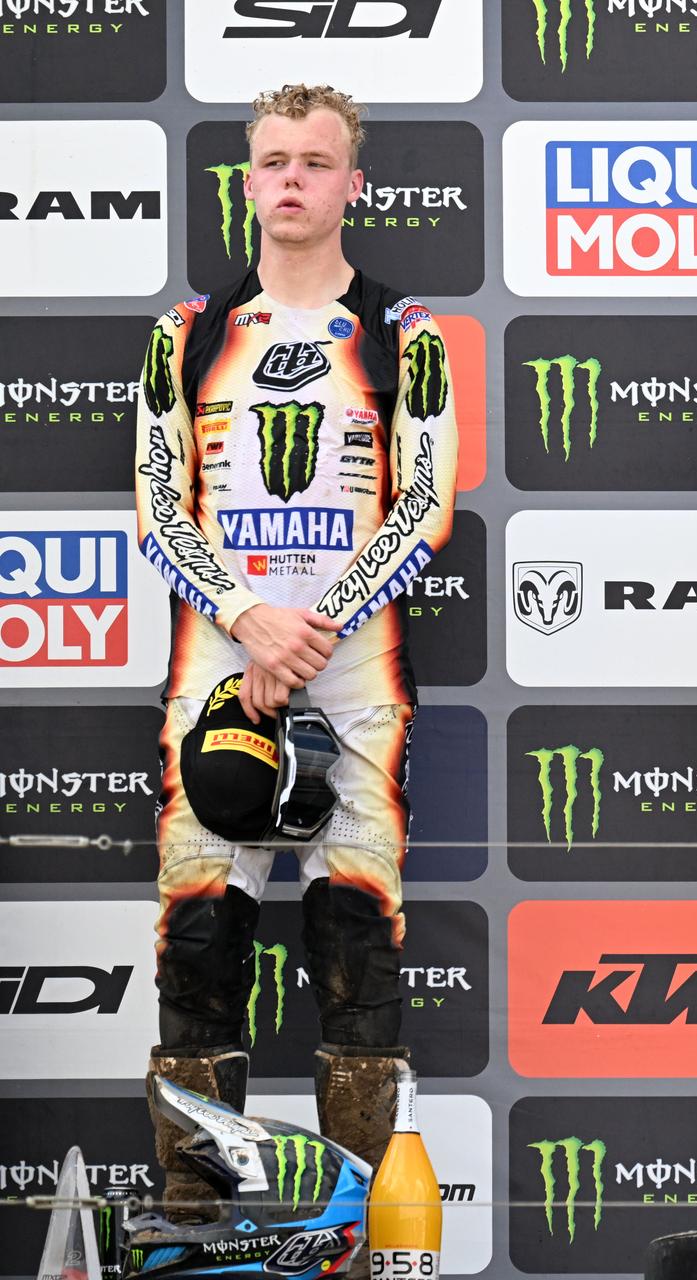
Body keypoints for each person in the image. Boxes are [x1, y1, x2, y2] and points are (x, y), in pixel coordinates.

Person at [133, 84, 458, 1242]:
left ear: (352, 184)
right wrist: (247, 618)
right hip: (217, 674)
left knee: (356, 945)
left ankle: (357, 1231)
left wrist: (305, 631)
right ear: (247, 178)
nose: (290, 180)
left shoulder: (408, 335)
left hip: (354, 685)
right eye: (272, 160)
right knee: (201, 941)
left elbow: (425, 504)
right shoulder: (183, 334)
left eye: (315, 162)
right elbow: (159, 504)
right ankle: (191, 1223)